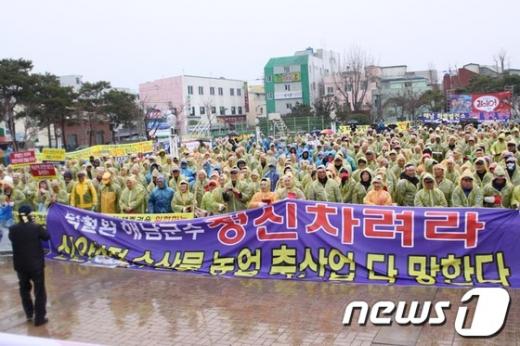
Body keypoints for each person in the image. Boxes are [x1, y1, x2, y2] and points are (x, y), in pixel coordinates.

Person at [8, 205, 49, 326]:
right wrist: (35, 224)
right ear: (30, 215)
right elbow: (47, 236)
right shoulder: (35, 227)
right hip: (36, 265)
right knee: (39, 291)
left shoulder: (13, 229)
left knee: (24, 290)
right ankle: (40, 318)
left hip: (21, 266)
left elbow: (12, 238)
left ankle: (29, 314)